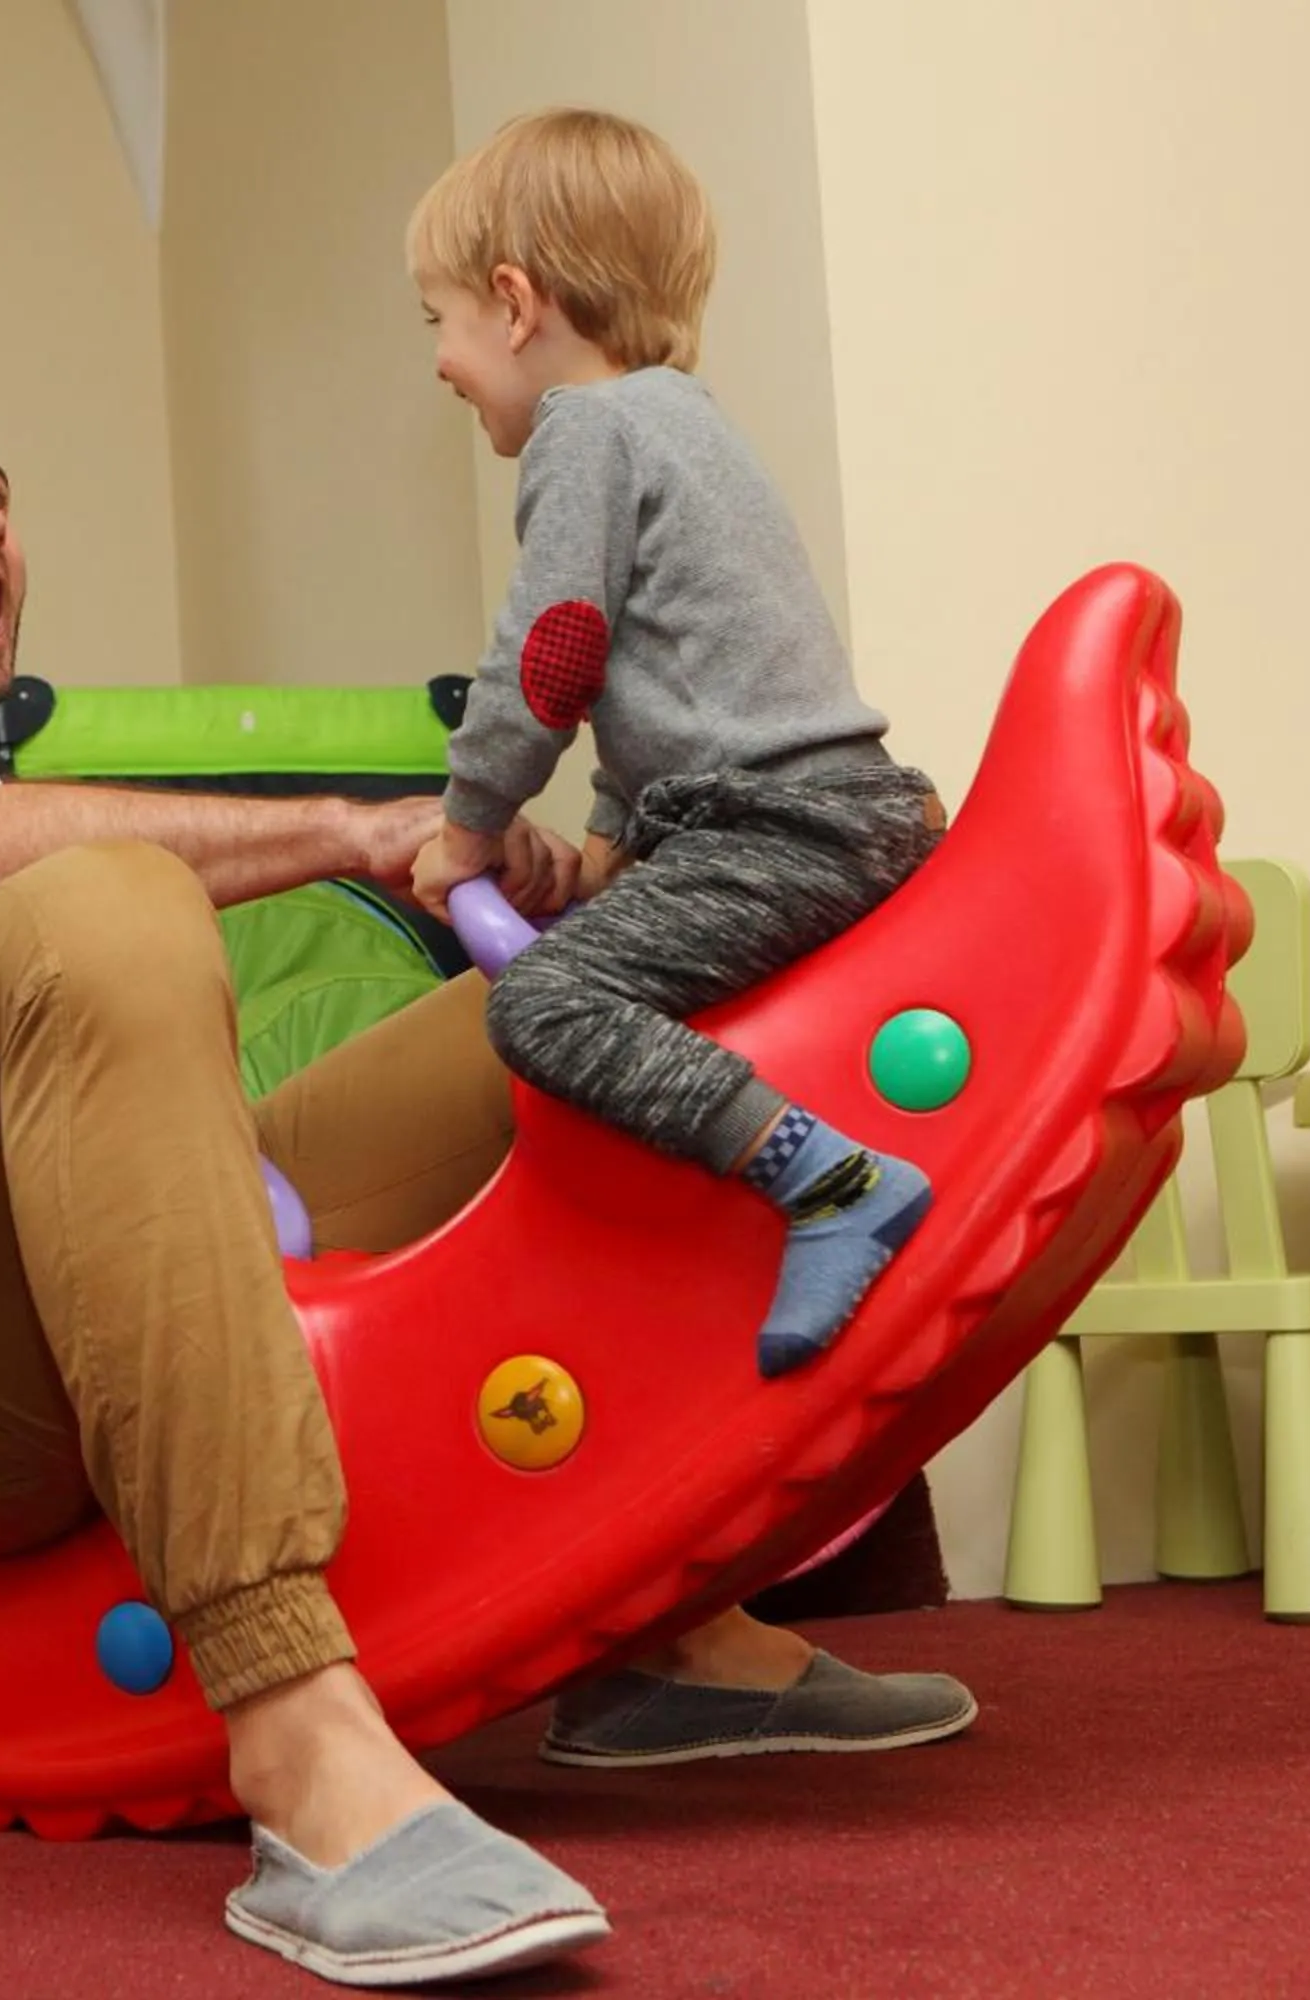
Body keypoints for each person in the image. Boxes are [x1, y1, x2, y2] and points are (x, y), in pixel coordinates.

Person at [0, 390, 973, 1989]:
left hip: (110, 1258)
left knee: (565, 1015)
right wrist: (352, 826)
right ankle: (297, 1742)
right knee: (98, 905)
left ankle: (655, 1633)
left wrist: (539, 862)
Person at [404, 108, 945, 1381]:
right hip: (840, 804)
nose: (439, 363)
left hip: (784, 826)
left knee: (546, 999)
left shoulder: (582, 432)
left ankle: (828, 1183)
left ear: (513, 301)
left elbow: (555, 650)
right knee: (599, 971)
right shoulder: (684, 418)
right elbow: (680, 664)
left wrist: (468, 820)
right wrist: (608, 842)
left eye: (439, 323)